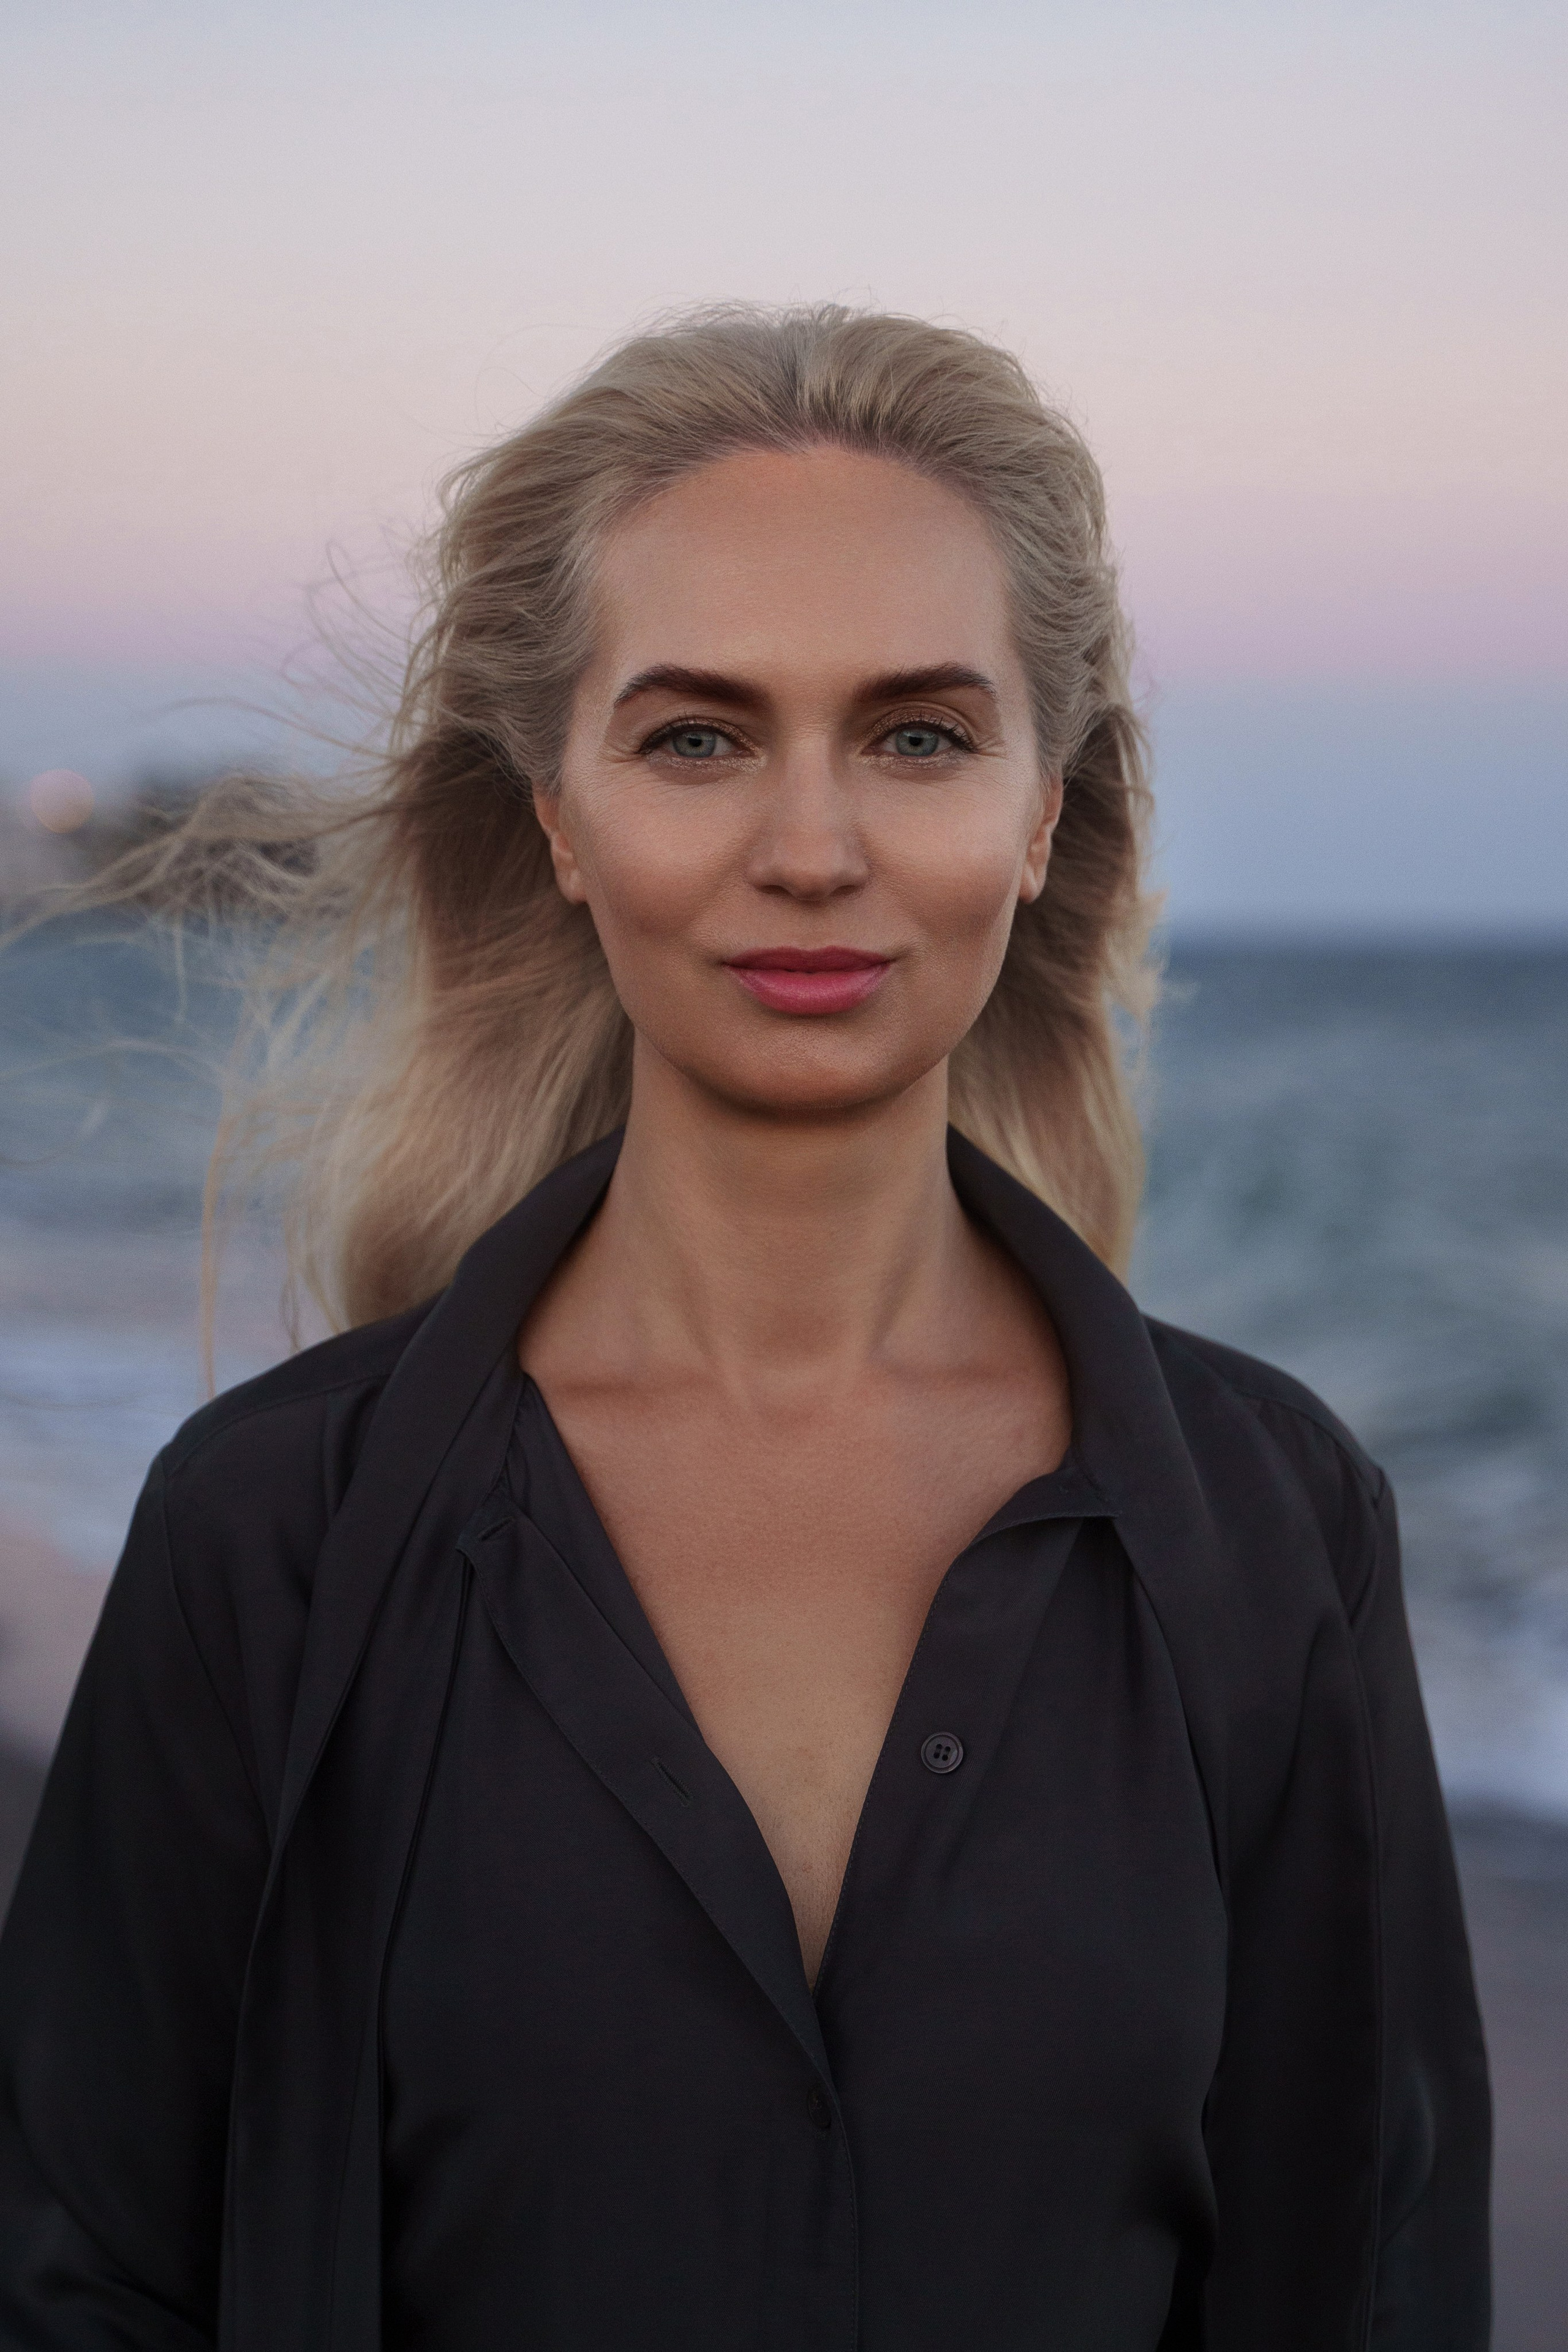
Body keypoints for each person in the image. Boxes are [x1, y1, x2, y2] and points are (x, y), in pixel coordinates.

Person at [0, 306, 1489, 2350]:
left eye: (920, 736)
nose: (811, 851)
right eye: (698, 737)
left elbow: (1378, 2285)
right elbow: (94, 2284)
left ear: (1044, 817)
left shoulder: (1275, 1527)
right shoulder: (269, 1534)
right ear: (557, 816)